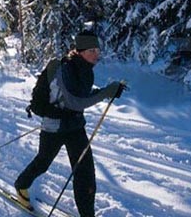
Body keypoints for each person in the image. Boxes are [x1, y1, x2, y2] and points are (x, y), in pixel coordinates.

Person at [14, 30, 123, 217]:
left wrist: (108, 91)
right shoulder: (65, 69)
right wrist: (106, 92)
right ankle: (21, 185)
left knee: (85, 172)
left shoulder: (85, 70)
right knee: (43, 162)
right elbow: (75, 101)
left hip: (75, 127)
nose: (97, 54)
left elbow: (81, 94)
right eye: (92, 50)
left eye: (97, 49)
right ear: (80, 51)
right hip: (54, 127)